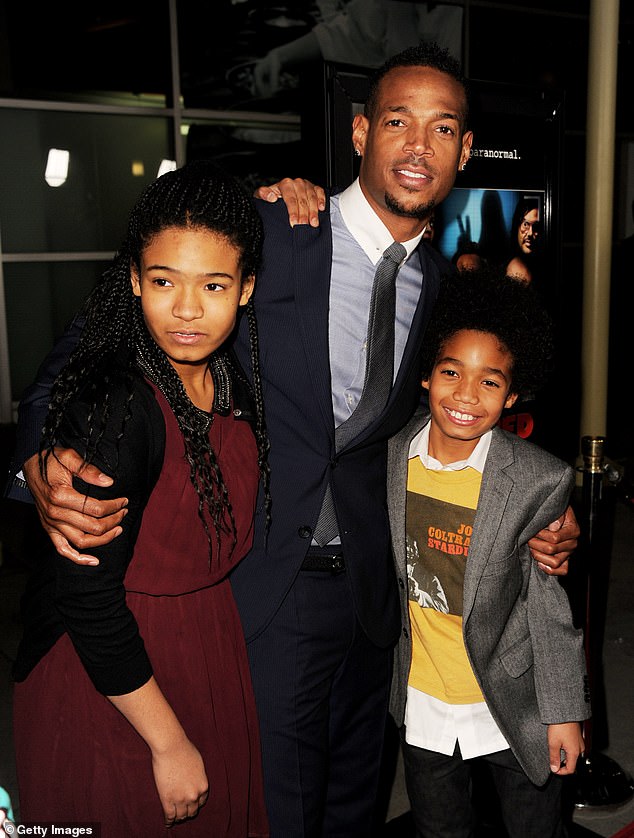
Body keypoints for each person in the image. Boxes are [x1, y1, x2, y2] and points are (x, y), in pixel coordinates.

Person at [7, 43, 579, 837]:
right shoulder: (273, 225)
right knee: (273, 809)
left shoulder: (442, 285)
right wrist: (39, 461)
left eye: (442, 128)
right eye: (397, 122)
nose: (418, 146)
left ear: (465, 151)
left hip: (377, 595)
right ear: (357, 133)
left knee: (355, 801)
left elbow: (446, 420)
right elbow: (85, 346)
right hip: (265, 583)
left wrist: (538, 510)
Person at [11, 161, 270, 836]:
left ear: (246, 289)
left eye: (213, 285)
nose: (187, 309)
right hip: (116, 682)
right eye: (163, 282)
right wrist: (167, 742)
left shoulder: (233, 382)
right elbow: (87, 597)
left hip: (206, 653)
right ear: (133, 280)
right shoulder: (118, 405)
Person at [387, 266, 590, 837]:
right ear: (426, 374)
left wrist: (564, 711)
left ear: (513, 395)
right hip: (424, 699)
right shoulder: (390, 456)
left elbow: (549, 611)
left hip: (509, 701)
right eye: (451, 372)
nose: (466, 396)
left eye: (490, 382)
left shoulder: (536, 480)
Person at [505, 196, 542, 284]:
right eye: (525, 224)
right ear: (517, 226)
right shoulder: (511, 265)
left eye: (536, 226)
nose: (530, 233)